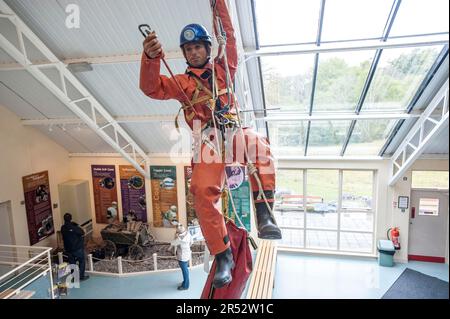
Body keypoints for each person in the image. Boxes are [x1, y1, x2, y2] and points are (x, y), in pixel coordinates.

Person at [140, 0, 281, 288]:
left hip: (233, 132)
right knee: (202, 191)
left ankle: (265, 213)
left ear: (207, 47)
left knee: (260, 147)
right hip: (209, 142)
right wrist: (150, 58)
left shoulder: (224, 67)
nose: (193, 52)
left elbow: (227, 34)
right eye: (188, 50)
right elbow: (151, 88)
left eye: (197, 47)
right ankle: (223, 253)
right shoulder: (182, 83)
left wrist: (218, 3)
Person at [61, 213, 89, 281]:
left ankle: (74, 277)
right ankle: (81, 276)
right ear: (71, 218)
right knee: (82, 261)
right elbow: (82, 232)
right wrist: (77, 225)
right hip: (77, 248)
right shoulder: (74, 227)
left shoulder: (63, 228)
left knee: (72, 263)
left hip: (68, 249)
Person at [170, 224, 193, 290]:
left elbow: (173, 244)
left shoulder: (179, 238)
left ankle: (185, 286)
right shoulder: (188, 234)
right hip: (187, 254)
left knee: (184, 271)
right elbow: (191, 242)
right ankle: (185, 282)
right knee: (186, 270)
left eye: (179, 226)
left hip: (182, 257)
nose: (178, 226)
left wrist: (175, 237)